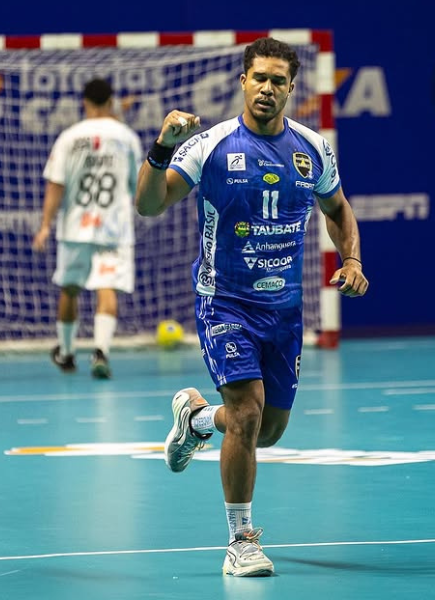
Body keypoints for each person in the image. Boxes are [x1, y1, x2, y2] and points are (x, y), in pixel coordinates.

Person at [134, 37, 368, 577]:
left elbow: (338, 209)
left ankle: (194, 418)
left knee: (266, 430)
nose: (267, 89)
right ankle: (241, 540)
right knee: (245, 412)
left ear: (291, 87)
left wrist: (352, 259)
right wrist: (161, 148)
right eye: (258, 78)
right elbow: (148, 205)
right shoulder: (210, 145)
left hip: (284, 310)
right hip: (224, 301)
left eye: (278, 81)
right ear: (243, 81)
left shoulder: (311, 148)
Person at [32, 78, 143, 379]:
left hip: (75, 228)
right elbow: (138, 185)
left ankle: (67, 354)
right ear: (111, 101)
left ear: (85, 102)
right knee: (105, 288)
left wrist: (44, 226)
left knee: (70, 289)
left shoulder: (69, 137)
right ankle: (101, 352)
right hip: (113, 227)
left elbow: (56, 184)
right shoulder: (127, 137)